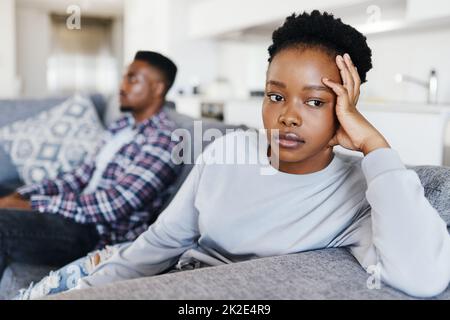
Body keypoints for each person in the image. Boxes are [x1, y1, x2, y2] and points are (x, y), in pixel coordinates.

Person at [17, 11, 450, 300]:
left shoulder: (361, 193)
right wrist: (93, 288)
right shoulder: (228, 150)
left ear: (346, 108)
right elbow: (164, 240)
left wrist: (377, 147)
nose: (288, 117)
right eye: (275, 95)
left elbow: (424, 277)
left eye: (315, 101)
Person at [0, 51, 181, 282]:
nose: (122, 86)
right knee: (4, 189)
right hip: (75, 211)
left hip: (94, 232)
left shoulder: (166, 140)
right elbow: (80, 176)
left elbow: (114, 204)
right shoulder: (122, 126)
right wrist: (21, 195)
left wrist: (32, 205)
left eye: (132, 79)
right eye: (124, 77)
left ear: (157, 88)